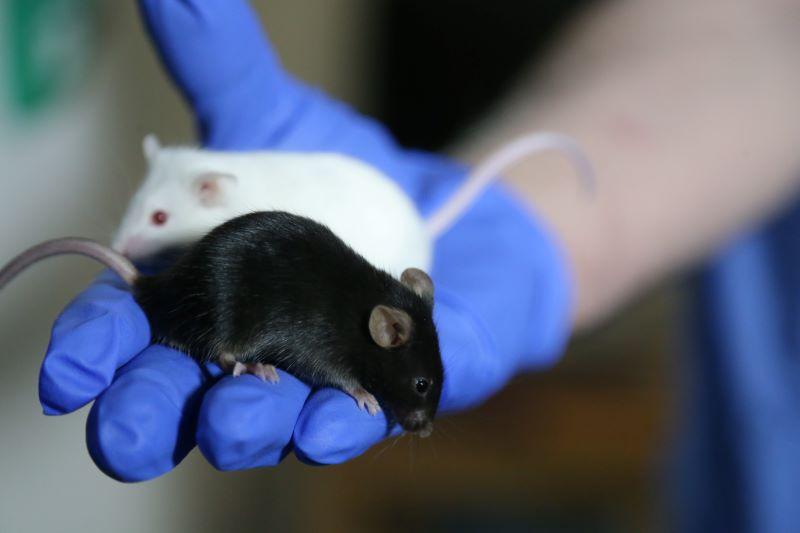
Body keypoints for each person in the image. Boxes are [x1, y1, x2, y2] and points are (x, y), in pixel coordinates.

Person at [38, 0, 800, 530]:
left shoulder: (373, 318)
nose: (421, 415)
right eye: (420, 394)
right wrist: (538, 221)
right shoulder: (364, 324)